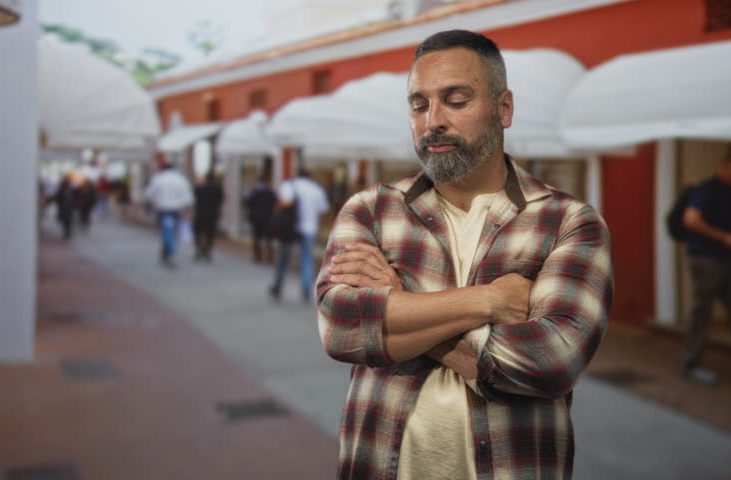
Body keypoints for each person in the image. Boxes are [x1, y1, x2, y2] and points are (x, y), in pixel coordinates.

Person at [315, 30, 613, 479]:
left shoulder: (568, 222)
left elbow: (550, 362)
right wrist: (486, 302)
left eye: (455, 100)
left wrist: (397, 303)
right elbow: (341, 330)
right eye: (419, 105)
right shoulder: (371, 210)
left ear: (504, 108)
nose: (433, 120)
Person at [681, 148, 731, 385]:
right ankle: (691, 364)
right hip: (707, 260)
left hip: (728, 261)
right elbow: (691, 219)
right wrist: (723, 237)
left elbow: (730, 224)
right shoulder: (707, 189)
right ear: (724, 166)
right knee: (702, 312)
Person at [269, 167, 329, 302]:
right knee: (307, 258)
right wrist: (318, 228)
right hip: (309, 229)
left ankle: (278, 285)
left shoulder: (289, 186)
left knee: (283, 258)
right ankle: (306, 289)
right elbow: (322, 212)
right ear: (310, 176)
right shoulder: (317, 189)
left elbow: (282, 205)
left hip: (290, 229)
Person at [143, 160, 194, 269]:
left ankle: (170, 252)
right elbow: (188, 197)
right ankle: (166, 253)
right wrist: (187, 209)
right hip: (177, 210)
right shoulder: (181, 179)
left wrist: (154, 202)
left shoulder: (158, 179)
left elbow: (149, 194)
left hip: (164, 209)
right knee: (172, 232)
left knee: (167, 231)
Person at [245, 171, 278, 264]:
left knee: (257, 237)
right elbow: (275, 204)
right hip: (268, 218)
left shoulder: (255, 192)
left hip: (257, 218)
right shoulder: (270, 192)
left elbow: (248, 204)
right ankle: (269, 257)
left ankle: (257, 256)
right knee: (269, 238)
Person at [192, 172, 224, 262]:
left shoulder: (199, 188)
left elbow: (195, 198)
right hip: (212, 214)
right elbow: (220, 200)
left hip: (200, 213)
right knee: (210, 232)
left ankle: (199, 248)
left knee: (198, 231)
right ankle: (208, 249)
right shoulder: (217, 188)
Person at [52, 174, 77, 240]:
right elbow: (57, 196)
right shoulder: (62, 187)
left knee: (69, 221)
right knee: (64, 220)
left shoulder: (72, 188)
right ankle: (66, 232)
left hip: (69, 207)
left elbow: (76, 196)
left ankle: (68, 232)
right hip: (63, 207)